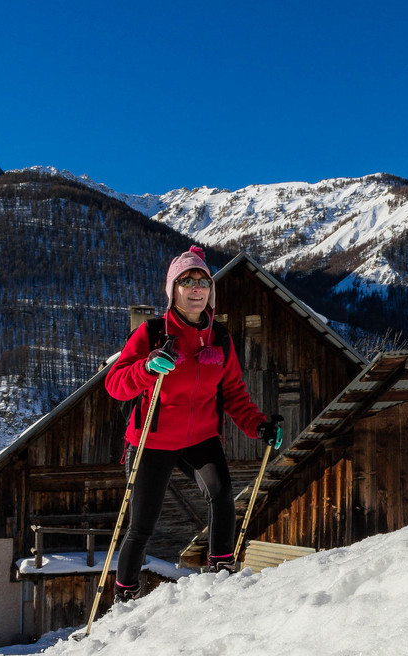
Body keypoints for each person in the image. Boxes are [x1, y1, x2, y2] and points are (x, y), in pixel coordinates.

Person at [104, 245, 282, 601]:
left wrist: (259, 426)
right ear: (174, 291)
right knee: (142, 525)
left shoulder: (219, 339)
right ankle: (124, 595)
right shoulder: (153, 334)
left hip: (200, 437)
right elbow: (116, 385)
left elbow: (233, 394)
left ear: (210, 291)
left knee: (221, 496)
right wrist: (146, 367)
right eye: (187, 282)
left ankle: (221, 572)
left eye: (203, 281)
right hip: (151, 441)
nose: (196, 288)